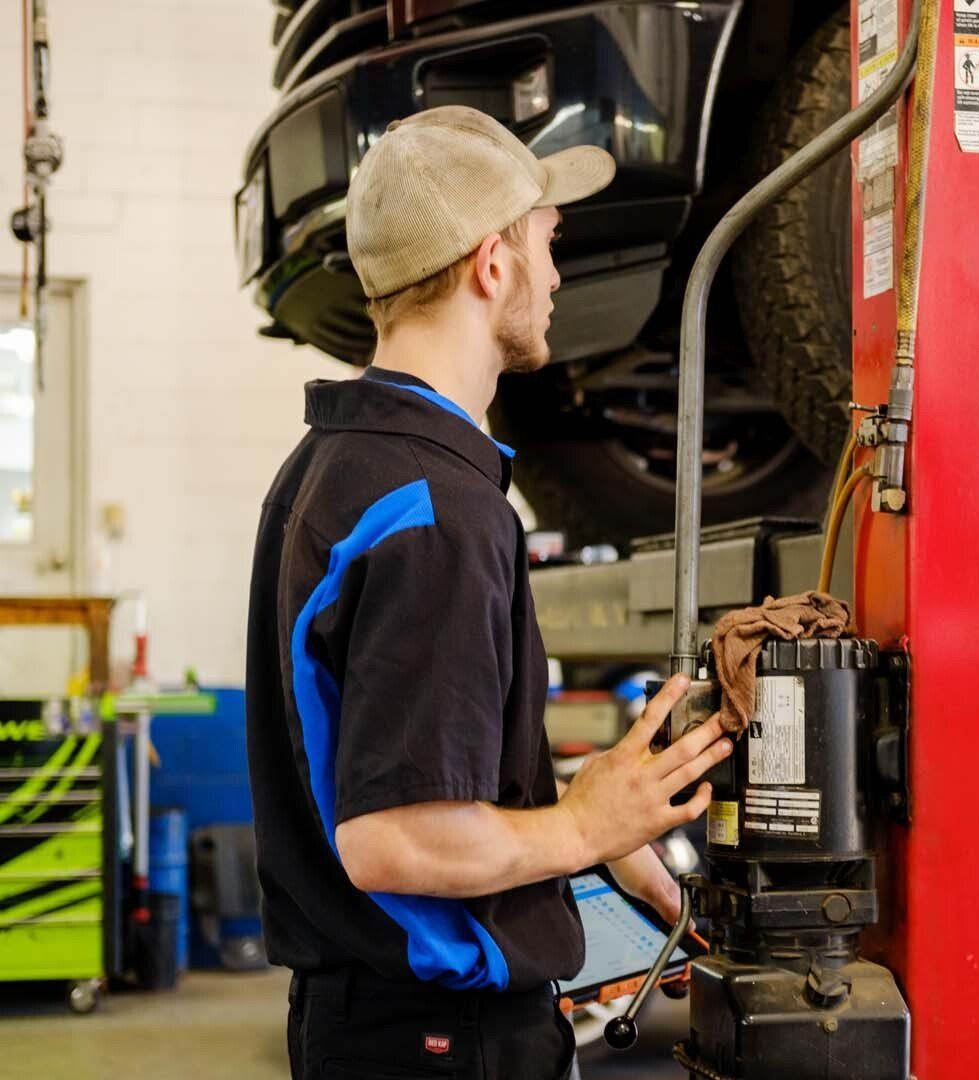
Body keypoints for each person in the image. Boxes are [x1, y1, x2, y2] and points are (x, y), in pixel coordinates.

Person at [244, 105, 734, 1080]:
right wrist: (585, 826)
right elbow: (397, 839)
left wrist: (601, 849)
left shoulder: (339, 469)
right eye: (548, 243)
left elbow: (416, 768)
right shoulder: (434, 512)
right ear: (491, 265)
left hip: (381, 1026)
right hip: (439, 1045)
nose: (556, 276)